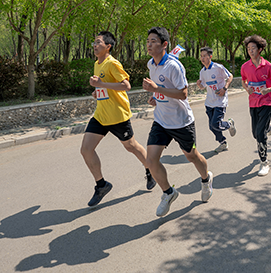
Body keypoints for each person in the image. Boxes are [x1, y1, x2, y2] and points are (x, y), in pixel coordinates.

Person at [143, 27, 213, 217]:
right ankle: (168, 193)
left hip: (181, 122)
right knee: (150, 160)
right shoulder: (151, 64)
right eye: (148, 41)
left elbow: (183, 93)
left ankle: (206, 179)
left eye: (154, 41)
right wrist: (155, 97)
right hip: (161, 120)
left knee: (192, 156)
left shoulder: (174, 66)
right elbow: (163, 89)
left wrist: (157, 88)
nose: (149, 44)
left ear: (164, 45)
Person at [80, 31, 155, 207]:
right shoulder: (97, 63)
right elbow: (105, 87)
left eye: (98, 42)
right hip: (101, 115)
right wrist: (97, 91)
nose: (94, 45)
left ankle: (150, 169)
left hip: (118, 116)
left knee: (131, 147)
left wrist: (100, 85)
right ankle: (101, 185)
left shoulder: (113, 63)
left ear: (108, 46)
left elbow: (126, 85)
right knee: (86, 150)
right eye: (94, 42)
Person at [240, 35, 271, 176]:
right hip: (253, 102)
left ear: (260, 49)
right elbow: (243, 81)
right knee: (255, 133)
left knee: (260, 134)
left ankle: (264, 162)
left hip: (267, 101)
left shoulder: (269, 66)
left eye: (253, 48)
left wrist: (270, 89)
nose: (250, 51)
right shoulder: (245, 67)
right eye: (248, 49)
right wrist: (247, 89)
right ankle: (269, 126)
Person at [196, 46, 236, 153]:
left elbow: (230, 76)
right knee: (212, 127)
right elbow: (203, 86)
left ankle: (229, 124)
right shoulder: (202, 72)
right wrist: (199, 85)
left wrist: (224, 88)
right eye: (201, 56)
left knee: (215, 124)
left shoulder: (218, 67)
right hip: (209, 102)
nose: (202, 58)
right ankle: (223, 143)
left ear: (210, 56)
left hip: (220, 101)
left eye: (204, 56)